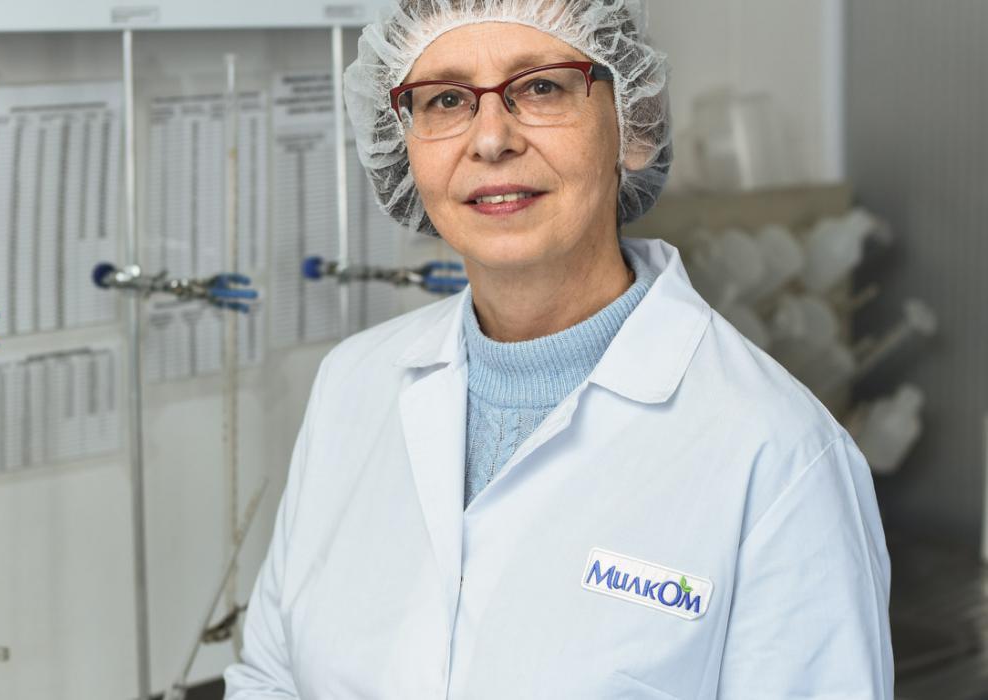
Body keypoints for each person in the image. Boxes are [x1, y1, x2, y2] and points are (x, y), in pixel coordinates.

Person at [225, 0, 893, 697]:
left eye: (542, 86)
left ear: (633, 124)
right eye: (446, 99)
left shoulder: (779, 453)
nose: (490, 139)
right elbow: (272, 676)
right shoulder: (352, 383)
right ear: (403, 139)